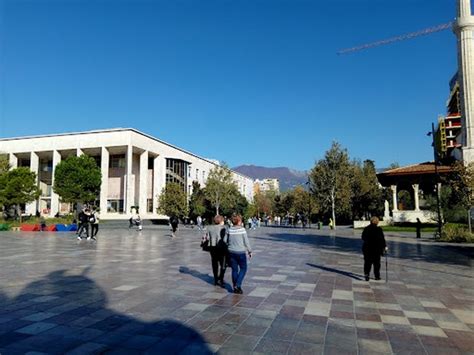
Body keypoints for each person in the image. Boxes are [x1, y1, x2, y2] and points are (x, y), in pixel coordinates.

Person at [227, 214, 252, 294]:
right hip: (240, 252)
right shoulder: (242, 230)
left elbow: (225, 240)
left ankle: (236, 287)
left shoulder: (229, 229)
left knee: (234, 270)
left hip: (231, 252)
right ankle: (238, 284)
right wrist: (249, 251)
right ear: (239, 222)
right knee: (243, 268)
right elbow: (246, 241)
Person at [203, 215, 227, 286]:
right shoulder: (223, 228)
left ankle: (216, 279)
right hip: (221, 248)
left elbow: (206, 237)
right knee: (223, 264)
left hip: (212, 248)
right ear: (221, 221)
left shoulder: (210, 227)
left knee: (214, 263)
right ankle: (221, 278)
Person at [361, 216, 387, 281]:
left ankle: (367, 275)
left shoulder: (366, 229)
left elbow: (363, 237)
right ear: (377, 222)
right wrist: (385, 246)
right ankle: (377, 276)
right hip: (376, 249)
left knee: (367, 262)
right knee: (377, 263)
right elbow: (382, 239)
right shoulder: (379, 229)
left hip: (367, 249)